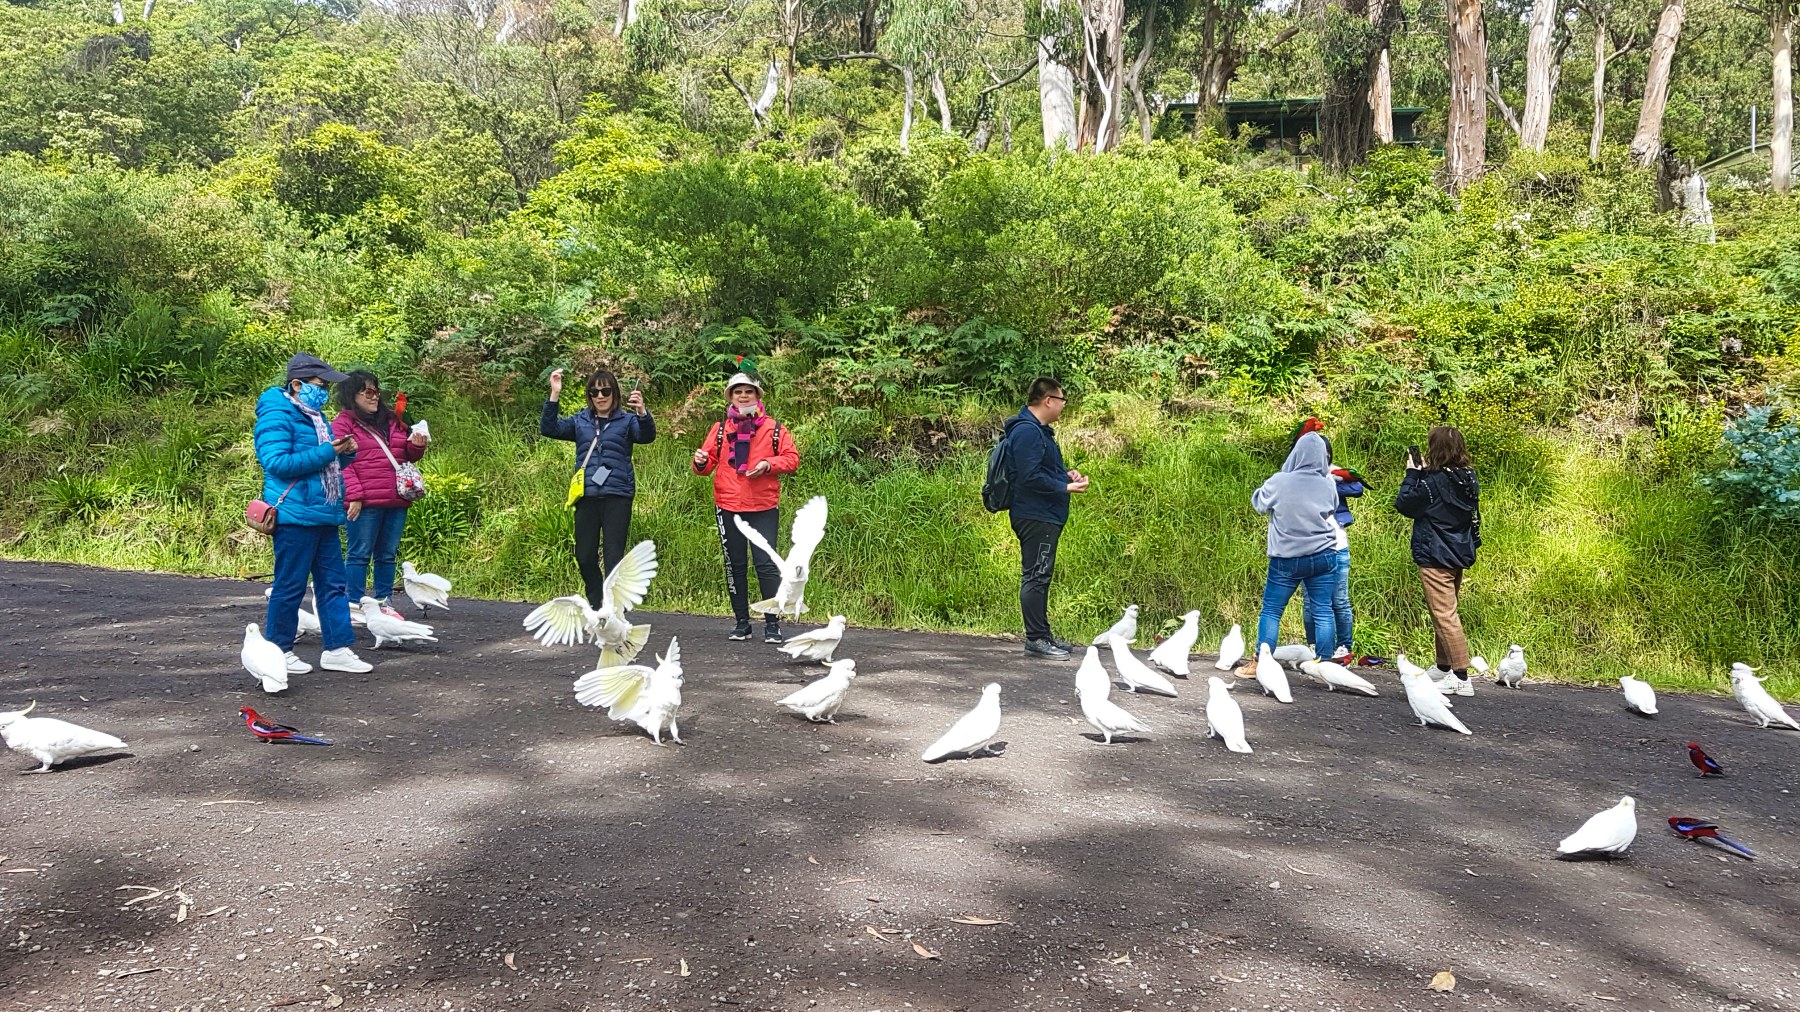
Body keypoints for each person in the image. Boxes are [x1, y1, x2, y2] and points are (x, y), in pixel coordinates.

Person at [254, 353, 374, 675]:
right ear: (296, 384)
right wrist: (327, 451)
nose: (324, 393)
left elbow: (325, 467)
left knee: (335, 585)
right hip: (294, 516)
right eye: (320, 386)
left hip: (323, 513)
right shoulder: (276, 414)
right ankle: (278, 651)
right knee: (289, 586)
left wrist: (344, 455)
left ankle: (337, 649)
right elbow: (276, 463)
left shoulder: (314, 416)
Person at [691, 371, 798, 644]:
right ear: (730, 396)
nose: (743, 395)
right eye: (737, 391)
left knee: (766, 566)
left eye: (748, 391)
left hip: (763, 505)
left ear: (757, 395)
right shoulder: (719, 429)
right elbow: (704, 467)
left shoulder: (774, 428)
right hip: (728, 504)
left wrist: (768, 465)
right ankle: (741, 623)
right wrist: (700, 460)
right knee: (735, 565)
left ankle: (772, 625)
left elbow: (791, 459)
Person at [543, 367, 654, 605]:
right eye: (594, 391)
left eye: (605, 391)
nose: (600, 396)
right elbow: (549, 429)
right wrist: (554, 394)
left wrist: (643, 412)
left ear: (615, 393)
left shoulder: (627, 420)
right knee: (584, 555)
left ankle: (614, 609)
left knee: (614, 558)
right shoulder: (580, 421)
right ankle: (597, 604)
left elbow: (647, 436)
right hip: (587, 495)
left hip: (618, 495)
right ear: (589, 396)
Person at [1003, 377, 1088, 660]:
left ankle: (1043, 634)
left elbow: (1039, 470)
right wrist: (1063, 487)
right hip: (1035, 514)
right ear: (1048, 400)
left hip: (1044, 513)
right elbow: (1028, 477)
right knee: (1036, 576)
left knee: (1040, 575)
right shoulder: (1028, 432)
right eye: (1062, 400)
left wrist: (1066, 475)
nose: (1063, 406)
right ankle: (1036, 638)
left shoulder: (1039, 432)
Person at [332, 371, 429, 618]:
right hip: (364, 500)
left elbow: (404, 455)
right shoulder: (343, 423)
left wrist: (416, 446)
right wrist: (354, 495)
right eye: (367, 392)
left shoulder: (392, 419)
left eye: (376, 391)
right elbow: (341, 463)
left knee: (387, 554)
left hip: (396, 497)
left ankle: (384, 603)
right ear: (351, 395)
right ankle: (355, 604)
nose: (374, 397)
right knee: (360, 552)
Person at [1394, 426, 1482, 696]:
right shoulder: (1469, 477)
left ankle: (1461, 676)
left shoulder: (1432, 483)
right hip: (1459, 550)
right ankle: (1443, 666)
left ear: (1434, 449)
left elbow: (1404, 504)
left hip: (1435, 553)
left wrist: (1412, 474)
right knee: (1444, 610)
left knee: (1445, 614)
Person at [1249, 431, 1341, 663]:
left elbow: (1259, 503)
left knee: (1272, 610)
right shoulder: (1327, 483)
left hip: (1286, 558)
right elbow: (1332, 508)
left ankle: (1264, 661)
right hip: (1324, 555)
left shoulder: (1279, 481)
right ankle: (1324, 665)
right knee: (1323, 610)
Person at [1290, 419, 1368, 663]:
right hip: (1307, 545)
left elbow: (1357, 489)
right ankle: (1314, 645)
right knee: (1311, 601)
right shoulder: (1295, 476)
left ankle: (1344, 647)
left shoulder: (1334, 472)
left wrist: (1330, 481)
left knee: (1340, 600)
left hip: (1337, 545)